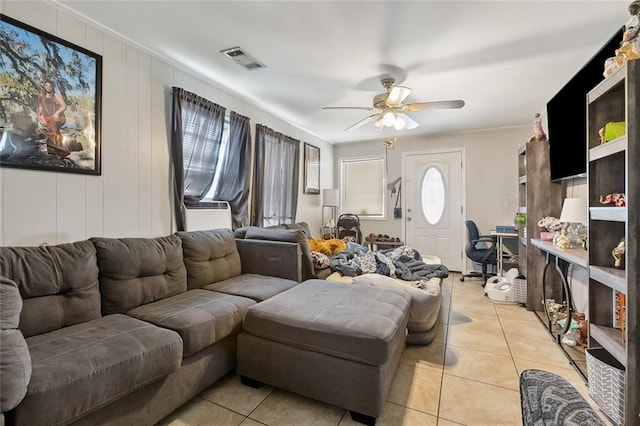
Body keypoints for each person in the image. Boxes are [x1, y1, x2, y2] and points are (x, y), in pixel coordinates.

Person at [36, 79, 67, 148]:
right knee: (48, 131)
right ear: (44, 86)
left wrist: (57, 113)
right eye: (46, 85)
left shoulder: (56, 96)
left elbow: (64, 106)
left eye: (50, 86)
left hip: (58, 116)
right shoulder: (41, 96)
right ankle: (55, 149)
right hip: (47, 117)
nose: (48, 87)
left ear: (52, 87)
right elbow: (40, 107)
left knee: (53, 129)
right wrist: (38, 116)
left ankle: (58, 148)